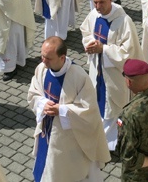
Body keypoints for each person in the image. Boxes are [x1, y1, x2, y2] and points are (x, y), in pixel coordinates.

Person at [27, 36, 111, 182]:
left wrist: (62, 110)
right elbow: (33, 92)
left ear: (62, 57)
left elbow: (89, 110)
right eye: (42, 56)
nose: (43, 61)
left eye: (48, 58)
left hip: (69, 139)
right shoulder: (42, 69)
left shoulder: (79, 77)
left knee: (66, 173)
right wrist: (41, 103)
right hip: (47, 132)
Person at [79, 0, 142, 150]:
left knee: (113, 105)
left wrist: (104, 49)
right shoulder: (94, 15)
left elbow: (128, 52)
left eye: (101, 2)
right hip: (98, 69)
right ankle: (102, 138)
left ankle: (111, 144)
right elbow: (85, 31)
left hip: (115, 74)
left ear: (110, 0)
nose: (98, 6)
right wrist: (90, 43)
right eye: (95, 2)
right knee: (99, 100)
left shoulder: (123, 21)